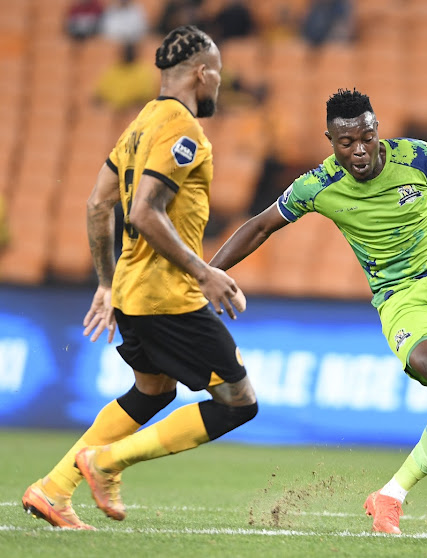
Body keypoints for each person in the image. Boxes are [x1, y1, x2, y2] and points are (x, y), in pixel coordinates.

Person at [209, 88, 427, 535]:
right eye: (346, 142)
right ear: (331, 141)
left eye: (366, 136)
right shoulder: (318, 185)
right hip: (398, 296)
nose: (359, 150)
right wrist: (207, 273)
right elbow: (260, 225)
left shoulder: (421, 158)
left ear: (378, 130)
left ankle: (391, 496)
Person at [22, 25, 257, 530]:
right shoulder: (182, 130)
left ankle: (53, 489)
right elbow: (146, 213)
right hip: (167, 294)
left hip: (132, 291)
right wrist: (205, 273)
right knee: (239, 403)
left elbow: (97, 204)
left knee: (153, 391)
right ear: (203, 73)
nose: (219, 84)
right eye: (218, 74)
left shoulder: (141, 123)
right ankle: (105, 462)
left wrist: (108, 283)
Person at [93, 42, 158, 111]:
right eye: (125, 52)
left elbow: (146, 95)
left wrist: (127, 105)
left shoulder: (143, 70)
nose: (127, 54)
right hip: (114, 109)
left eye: (130, 52)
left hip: (134, 110)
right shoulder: (114, 70)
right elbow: (101, 92)